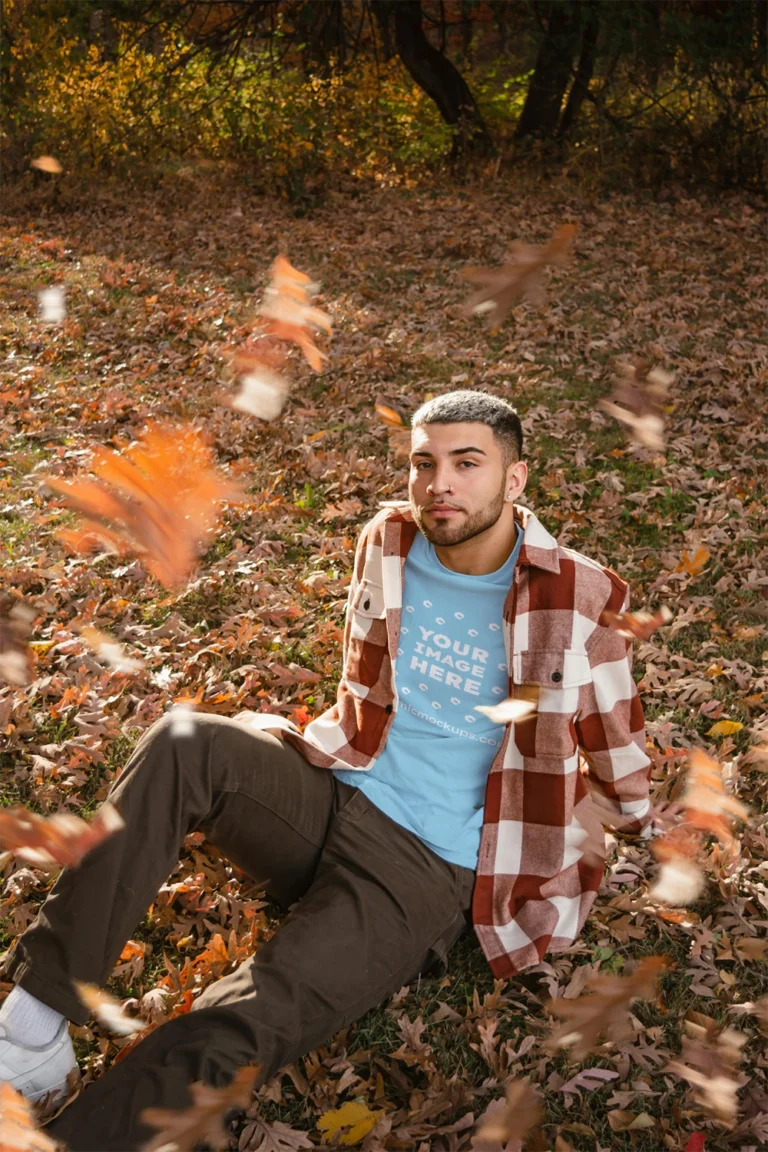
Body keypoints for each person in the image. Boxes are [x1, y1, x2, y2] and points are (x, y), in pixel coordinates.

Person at [0, 390, 652, 1150]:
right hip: (337, 787)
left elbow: (623, 773)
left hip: (424, 868)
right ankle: (33, 1026)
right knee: (186, 739)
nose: (439, 482)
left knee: (247, 1013)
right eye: (424, 463)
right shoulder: (390, 540)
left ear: (514, 481)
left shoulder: (577, 597)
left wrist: (557, 853)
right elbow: (364, 689)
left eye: (466, 464)